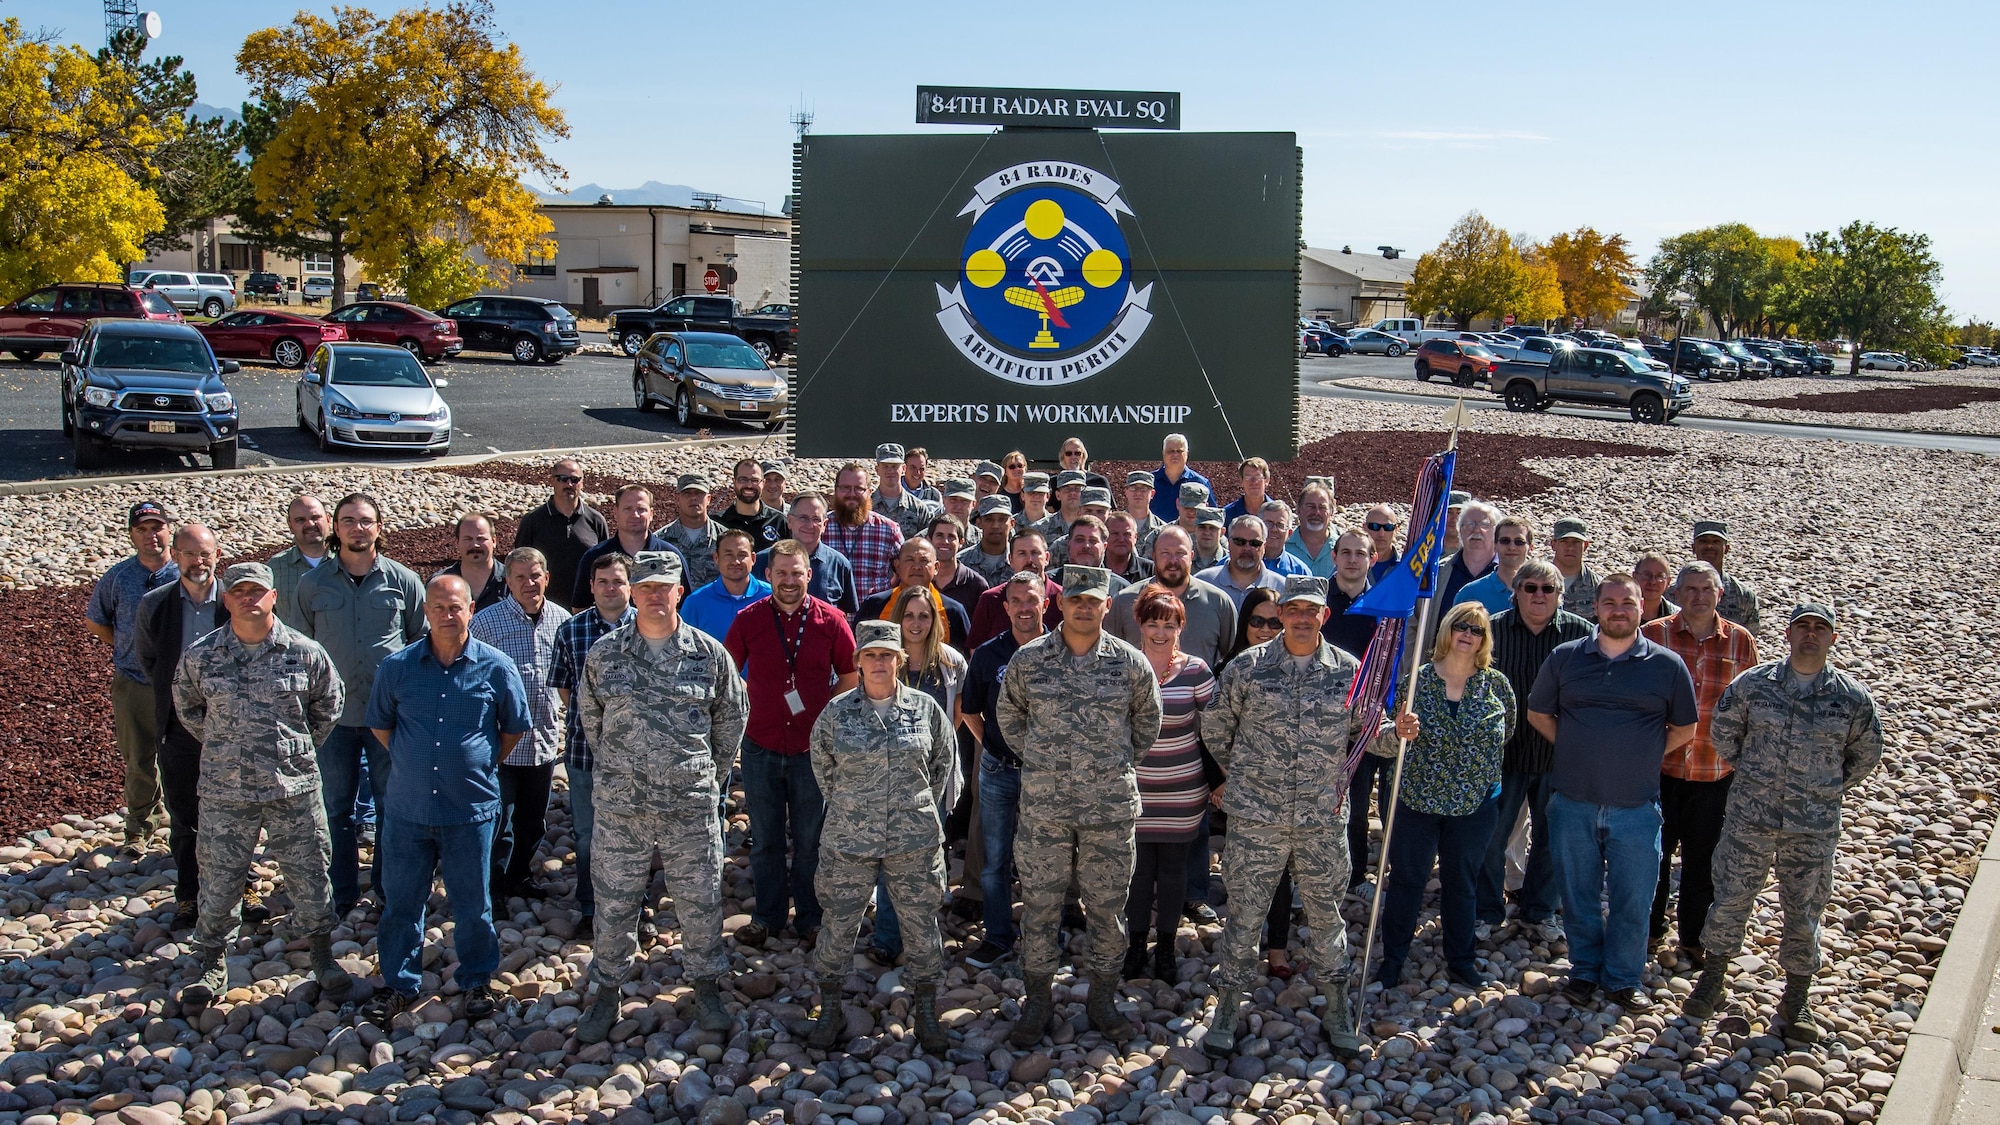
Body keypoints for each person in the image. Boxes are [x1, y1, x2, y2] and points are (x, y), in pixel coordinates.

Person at [1683, 604, 1881, 1041]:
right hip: (1750, 818)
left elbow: (1864, 756)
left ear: (1832, 637)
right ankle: (1712, 979)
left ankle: (1796, 997)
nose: (1810, 635)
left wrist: (1820, 788)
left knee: (1804, 911)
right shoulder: (1754, 685)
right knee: (1731, 898)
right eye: (1803, 627)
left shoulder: (1851, 698)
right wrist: (1760, 777)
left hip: (1812, 825)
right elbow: (1725, 736)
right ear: (1789, 634)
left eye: (1820, 628)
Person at [572, 553, 748, 1044]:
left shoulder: (708, 654)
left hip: (688, 805)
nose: (653, 594)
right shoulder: (605, 654)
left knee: (699, 900)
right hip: (622, 808)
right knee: (613, 901)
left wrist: (705, 776)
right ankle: (607, 989)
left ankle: (707, 985)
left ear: (678, 592)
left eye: (663, 586)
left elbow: (731, 720)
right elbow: (592, 721)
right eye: (643, 585)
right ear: (631, 591)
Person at [1199, 576, 1373, 1060]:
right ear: (1281, 614)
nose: (1300, 617)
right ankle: (1228, 1008)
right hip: (1258, 819)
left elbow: (1368, 736)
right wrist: (1245, 775)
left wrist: (1398, 729)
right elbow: (1215, 725)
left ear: (1324, 616)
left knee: (1325, 917)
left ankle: (1337, 1008)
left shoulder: (1349, 672)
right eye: (1292, 608)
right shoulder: (1248, 668)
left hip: (1320, 819)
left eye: (1310, 610)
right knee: (1244, 918)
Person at [171, 563, 351, 1009]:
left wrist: (288, 750)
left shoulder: (304, 652)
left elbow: (328, 708)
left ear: (274, 597)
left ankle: (322, 955)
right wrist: (229, 747)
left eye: (258, 592)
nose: (249, 598)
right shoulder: (202, 655)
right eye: (239, 592)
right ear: (227, 599)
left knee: (310, 876)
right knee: (218, 880)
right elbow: (189, 709)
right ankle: (211, 962)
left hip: (292, 788)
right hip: (224, 791)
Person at [1000, 566, 1162, 1048]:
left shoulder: (1130, 663)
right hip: (1045, 810)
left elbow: (1147, 722)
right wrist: (1043, 758)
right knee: (1040, 908)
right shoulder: (1030, 660)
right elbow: (1009, 715)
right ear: (1060, 603)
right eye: (1076, 599)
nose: (1084, 607)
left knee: (1108, 910)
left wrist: (1110, 765)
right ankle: (1038, 1002)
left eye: (1094, 600)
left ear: (1107, 606)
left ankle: (1102, 999)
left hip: (1108, 809)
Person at [363, 574, 531, 1025]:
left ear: (470, 609)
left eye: (455, 606)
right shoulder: (396, 667)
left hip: (469, 809)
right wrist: (414, 759)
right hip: (408, 809)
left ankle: (477, 980)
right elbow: (381, 726)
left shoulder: (497, 667)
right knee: (401, 902)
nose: (446, 615)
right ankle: (399, 983)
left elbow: (513, 728)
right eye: (437, 607)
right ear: (425, 612)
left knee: (473, 902)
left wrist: (475, 762)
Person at [1527, 574, 1698, 1011]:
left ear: (1643, 607)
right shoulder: (1566, 658)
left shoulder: (1666, 665)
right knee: (1577, 893)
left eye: (1627, 602)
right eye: (1609, 602)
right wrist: (1575, 745)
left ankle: (1622, 977)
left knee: (1633, 898)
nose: (1617, 610)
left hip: (1636, 807)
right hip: (1572, 801)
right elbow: (1538, 712)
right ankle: (1584, 971)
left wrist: (1640, 752)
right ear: (1596, 608)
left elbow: (1685, 728)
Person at [803, 619, 955, 1053]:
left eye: (887, 655)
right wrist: (858, 809)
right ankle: (830, 1008)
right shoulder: (836, 714)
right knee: (837, 924)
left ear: (900, 660)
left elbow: (941, 767)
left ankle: (926, 1009)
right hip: (850, 840)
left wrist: (910, 809)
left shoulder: (926, 709)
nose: (878, 663)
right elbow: (823, 769)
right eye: (870, 655)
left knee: (923, 926)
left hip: (914, 841)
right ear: (857, 661)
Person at [1370, 602, 1516, 989]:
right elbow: (1384, 734)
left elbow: (1508, 732)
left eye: (1478, 630)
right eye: (1461, 626)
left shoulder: (1497, 685)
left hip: (1474, 805)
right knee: (1407, 881)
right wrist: (1399, 730)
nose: (1468, 634)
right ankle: (1393, 959)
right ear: (1447, 631)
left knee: (1462, 882)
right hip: (1417, 800)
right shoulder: (1415, 681)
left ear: (1485, 639)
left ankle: (1461, 960)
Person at [295, 493, 428, 915]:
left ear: (379, 527)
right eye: (348, 520)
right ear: (336, 528)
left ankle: (388, 888)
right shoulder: (312, 585)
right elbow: (300, 651)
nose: (357, 528)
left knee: (393, 805)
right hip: (332, 719)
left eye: (366, 520)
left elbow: (419, 644)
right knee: (336, 807)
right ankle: (344, 892)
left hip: (388, 717)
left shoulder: (404, 581)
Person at [724, 540, 859, 946]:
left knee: (811, 839)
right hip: (761, 744)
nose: (788, 581)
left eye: (796, 573)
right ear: (767, 575)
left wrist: (824, 715)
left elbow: (850, 676)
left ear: (808, 575)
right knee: (764, 839)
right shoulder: (748, 619)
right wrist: (753, 698)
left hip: (810, 751)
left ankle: (810, 917)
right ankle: (767, 916)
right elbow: (728, 669)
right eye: (780, 573)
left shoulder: (831, 620)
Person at [1640, 562, 1759, 969]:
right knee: (1652, 857)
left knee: (1702, 861)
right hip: (1659, 769)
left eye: (1706, 588)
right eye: (1689, 589)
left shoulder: (1740, 642)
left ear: (1719, 593)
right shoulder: (1654, 635)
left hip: (1713, 772)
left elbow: (1752, 707)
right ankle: (1650, 932)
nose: (1698, 596)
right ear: (1678, 593)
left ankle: (1692, 939)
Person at [1477, 560, 1591, 942]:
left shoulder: (1582, 635)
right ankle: (1487, 911)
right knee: (1491, 838)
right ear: (1517, 591)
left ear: (1560, 595)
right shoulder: (1490, 630)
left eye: (1547, 589)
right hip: (1501, 756)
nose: (1538, 595)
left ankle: (1540, 912)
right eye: (1530, 588)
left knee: (1552, 838)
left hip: (1558, 756)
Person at [864, 582, 971, 966]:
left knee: (927, 860)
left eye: (924, 615)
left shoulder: (951, 663)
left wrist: (934, 754)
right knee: (889, 858)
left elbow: (956, 715)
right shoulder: (882, 658)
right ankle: (888, 938)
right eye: (908, 615)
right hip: (885, 778)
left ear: (935, 620)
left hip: (932, 778)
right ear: (897, 618)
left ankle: (923, 934)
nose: (916, 622)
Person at [136, 524, 228, 930]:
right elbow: (149, 661)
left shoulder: (235, 601)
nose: (198, 561)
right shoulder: (155, 605)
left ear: (217, 554)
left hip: (232, 727)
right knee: (186, 815)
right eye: (188, 554)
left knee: (235, 814)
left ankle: (238, 888)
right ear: (174, 555)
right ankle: (189, 895)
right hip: (178, 728)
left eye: (204, 553)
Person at [470, 548, 571, 902]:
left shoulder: (561, 621)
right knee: (499, 821)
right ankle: (492, 890)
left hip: (544, 739)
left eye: (535, 575)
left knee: (533, 823)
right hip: (500, 741)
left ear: (547, 577)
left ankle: (518, 877)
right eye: (520, 577)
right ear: (508, 581)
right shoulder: (485, 623)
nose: (529, 583)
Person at [1124, 589, 1215, 984]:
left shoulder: (1197, 671)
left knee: (1175, 870)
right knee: (1139, 871)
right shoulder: (1123, 665)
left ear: (1181, 627)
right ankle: (1135, 946)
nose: (1160, 632)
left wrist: (1221, 780)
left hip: (1183, 789)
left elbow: (1217, 729)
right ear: (1139, 624)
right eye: (1152, 623)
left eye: (1169, 624)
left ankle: (1165, 949)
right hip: (1135, 789)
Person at [959, 573, 1048, 969]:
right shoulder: (988, 654)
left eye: (1032, 600)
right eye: (1017, 601)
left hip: (1048, 775)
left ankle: (1043, 937)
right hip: (999, 770)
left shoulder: (1062, 651)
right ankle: (997, 937)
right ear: (1006, 606)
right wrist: (994, 746)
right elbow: (969, 711)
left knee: (1046, 860)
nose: (1025, 608)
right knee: (995, 861)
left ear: (1046, 604)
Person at [548, 551, 636, 939]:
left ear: (629, 586)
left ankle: (634, 906)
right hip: (585, 750)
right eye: (603, 582)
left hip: (638, 753)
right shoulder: (571, 630)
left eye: (618, 581)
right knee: (587, 833)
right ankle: (590, 907)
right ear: (591, 586)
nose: (611, 588)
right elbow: (565, 688)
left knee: (633, 833)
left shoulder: (650, 627)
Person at [87, 500, 179, 857]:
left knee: (184, 757)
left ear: (169, 531)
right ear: (131, 535)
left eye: (156, 527)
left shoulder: (186, 574)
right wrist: (130, 649)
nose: (150, 536)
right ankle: (139, 826)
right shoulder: (118, 577)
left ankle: (186, 824)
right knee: (138, 759)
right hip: (133, 682)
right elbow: (96, 620)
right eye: (141, 529)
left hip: (180, 685)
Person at [1222, 588, 1301, 978]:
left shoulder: (1299, 668)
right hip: (1234, 791)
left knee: (1281, 875)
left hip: (1284, 798)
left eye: (1274, 621)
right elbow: (1216, 733)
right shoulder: (1231, 668)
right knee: (1241, 876)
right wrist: (1226, 778)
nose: (1266, 629)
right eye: (1257, 621)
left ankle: (1278, 948)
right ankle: (1238, 952)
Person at [1109, 526, 1237, 670]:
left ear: (1192, 556)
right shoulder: (1124, 601)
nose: (1173, 560)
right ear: (1153, 556)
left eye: (1180, 553)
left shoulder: (1218, 602)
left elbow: (1231, 660)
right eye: (1165, 553)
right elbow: (1110, 657)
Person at [513, 459, 608, 611]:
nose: (568, 484)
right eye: (562, 479)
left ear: (582, 483)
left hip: (587, 610)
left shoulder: (596, 521)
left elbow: (605, 565)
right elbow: (518, 565)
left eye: (574, 479)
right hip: (544, 609)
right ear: (552, 481)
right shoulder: (533, 521)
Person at [571, 483, 683, 609]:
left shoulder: (670, 556)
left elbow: (683, 606)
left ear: (651, 514)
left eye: (641, 509)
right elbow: (580, 608)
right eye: (628, 509)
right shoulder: (595, 557)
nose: (635, 515)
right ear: (615, 512)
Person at [855, 538, 972, 649]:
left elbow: (964, 658)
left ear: (936, 567)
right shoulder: (875, 605)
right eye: (910, 560)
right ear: (898, 566)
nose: (917, 567)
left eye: (924, 560)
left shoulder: (953, 611)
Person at [752, 494, 858, 616]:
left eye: (816, 519)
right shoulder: (762, 561)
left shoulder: (839, 564)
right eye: (803, 518)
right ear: (790, 521)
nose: (810, 525)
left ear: (824, 525)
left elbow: (844, 615)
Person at [966, 529, 1061, 648]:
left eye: (1035, 553)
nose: (1029, 560)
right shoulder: (990, 599)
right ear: (1010, 560)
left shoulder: (1063, 599)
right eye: (1022, 553)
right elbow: (976, 650)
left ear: (1047, 558)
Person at [825, 462, 905, 600]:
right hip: (830, 617)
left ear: (869, 492)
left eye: (858, 488)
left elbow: (904, 570)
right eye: (845, 488)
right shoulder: (820, 527)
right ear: (836, 490)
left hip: (874, 616)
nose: (851, 494)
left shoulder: (888, 530)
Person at [680, 529, 771, 641]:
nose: (735, 561)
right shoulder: (695, 603)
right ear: (716, 558)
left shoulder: (773, 597)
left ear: (753, 559)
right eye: (728, 555)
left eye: (742, 555)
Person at [1672, 520, 1761, 632]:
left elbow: (1750, 638)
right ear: (1693, 548)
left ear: (1727, 548)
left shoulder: (1743, 596)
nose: (1709, 546)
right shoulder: (1673, 592)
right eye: (1703, 541)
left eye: (1716, 541)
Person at [269, 494, 331, 630]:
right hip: (294, 650)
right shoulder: (275, 568)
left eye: (315, 517)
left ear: (328, 519)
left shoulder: (349, 562)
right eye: (300, 520)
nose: (310, 524)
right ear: (290, 526)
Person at [1197, 515, 1286, 608]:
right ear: (1229, 543)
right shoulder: (1203, 582)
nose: (1247, 548)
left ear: (1264, 547)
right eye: (1240, 541)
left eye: (1254, 543)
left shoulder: (1281, 589)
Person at [1455, 516, 1535, 615]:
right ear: (1495, 546)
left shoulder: (1543, 592)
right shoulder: (1470, 594)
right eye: (1505, 541)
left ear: (1531, 547)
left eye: (1519, 542)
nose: (1512, 547)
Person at [660, 474, 728, 592]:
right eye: (687, 493)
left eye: (699, 493)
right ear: (677, 498)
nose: (693, 498)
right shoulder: (661, 540)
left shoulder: (725, 539)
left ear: (708, 499)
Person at [1320, 530, 1377, 659]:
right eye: (1346, 553)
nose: (1352, 560)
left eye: (1360, 554)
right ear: (1334, 557)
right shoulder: (1317, 599)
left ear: (1373, 559)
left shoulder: (1380, 606)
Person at [872, 442, 944, 541]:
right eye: (885, 466)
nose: (890, 471)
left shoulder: (918, 508)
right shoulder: (866, 505)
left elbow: (927, 544)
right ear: (877, 469)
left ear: (903, 468)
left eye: (894, 466)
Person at [714, 457, 788, 549]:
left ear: (763, 483)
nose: (749, 485)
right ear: (734, 482)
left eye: (755, 480)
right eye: (743, 480)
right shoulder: (717, 522)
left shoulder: (779, 521)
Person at [439, 512, 506, 612]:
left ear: (494, 541)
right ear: (457, 542)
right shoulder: (440, 583)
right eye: (468, 539)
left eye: (481, 539)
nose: (475, 545)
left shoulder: (512, 581)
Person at [1438, 501, 1500, 609]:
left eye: (1484, 524)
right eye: (1469, 524)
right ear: (1460, 530)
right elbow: (1414, 619)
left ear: (1496, 532)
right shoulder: (1438, 571)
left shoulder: (1508, 575)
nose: (1476, 530)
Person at [1048, 515, 1129, 596]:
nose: (1086, 546)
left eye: (1093, 541)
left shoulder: (1122, 590)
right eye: (1079, 540)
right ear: (1069, 544)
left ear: (1104, 547)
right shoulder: (1049, 583)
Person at [927, 515, 989, 612]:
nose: (945, 541)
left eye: (951, 537)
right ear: (929, 540)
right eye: (940, 535)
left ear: (961, 542)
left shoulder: (976, 585)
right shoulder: (919, 579)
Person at [1149, 433, 1211, 523]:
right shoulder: (1150, 482)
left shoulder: (1200, 483)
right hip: (1156, 535)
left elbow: (1210, 515)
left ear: (1187, 454)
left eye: (1179, 451)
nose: (1175, 455)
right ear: (1163, 453)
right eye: (1170, 451)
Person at [1551, 517, 1600, 623]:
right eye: (1564, 541)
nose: (1570, 548)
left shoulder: (1598, 586)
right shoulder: (1536, 581)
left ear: (1586, 546)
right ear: (1553, 544)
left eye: (1576, 542)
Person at [961, 495, 1017, 586]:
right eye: (989, 519)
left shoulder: (1020, 561)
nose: (995, 525)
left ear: (1012, 523)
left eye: (1002, 520)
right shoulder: (962, 561)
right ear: (979, 523)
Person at [1287, 481, 1336, 579]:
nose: (1316, 512)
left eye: (1322, 507)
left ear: (1331, 512)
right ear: (1298, 510)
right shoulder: (1283, 548)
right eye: (1310, 506)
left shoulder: (1343, 549)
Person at [1256, 501, 1311, 578]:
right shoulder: (1245, 563)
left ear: (1289, 533)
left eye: (1280, 525)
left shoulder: (1300, 572)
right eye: (1268, 523)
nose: (1274, 529)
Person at [1121, 471, 1166, 553]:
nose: (1138, 493)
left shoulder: (1163, 530)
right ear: (1126, 492)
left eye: (1144, 489)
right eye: (1133, 488)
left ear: (1152, 494)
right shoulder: (1113, 525)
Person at [1104, 512, 1154, 584]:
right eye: (1115, 534)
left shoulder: (1150, 570)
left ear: (1135, 537)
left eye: (1127, 534)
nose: (1121, 539)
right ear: (1105, 536)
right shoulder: (1095, 568)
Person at [1220, 457, 1272, 526]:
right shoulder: (1227, 514)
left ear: (1267, 480)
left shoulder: (1278, 513)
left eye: (1257, 477)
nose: (1253, 482)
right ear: (1241, 481)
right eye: (1248, 477)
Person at [1634, 552, 1679, 623]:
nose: (1652, 582)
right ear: (1635, 577)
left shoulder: (1677, 617)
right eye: (1647, 575)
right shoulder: (1620, 613)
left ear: (1668, 582)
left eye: (1660, 576)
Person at [1364, 504, 1403, 582]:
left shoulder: (1405, 566)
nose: (1381, 533)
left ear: (1396, 530)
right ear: (1364, 528)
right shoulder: (1350, 564)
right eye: (1374, 526)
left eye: (1388, 527)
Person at [1013, 473, 1059, 539]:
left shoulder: (1058, 523)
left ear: (1048, 496)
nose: (1036, 496)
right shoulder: (1012, 523)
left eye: (1040, 493)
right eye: (1031, 493)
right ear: (1022, 495)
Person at [1192, 507, 1227, 573]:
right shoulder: (1185, 558)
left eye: (1212, 528)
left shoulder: (1229, 562)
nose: (1207, 532)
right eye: (1202, 527)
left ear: (1222, 532)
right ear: (1194, 529)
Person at [1441, 490, 1470, 556]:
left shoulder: (1476, 552)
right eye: (1449, 512)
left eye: (1459, 513)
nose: (1454, 518)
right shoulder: (1426, 551)